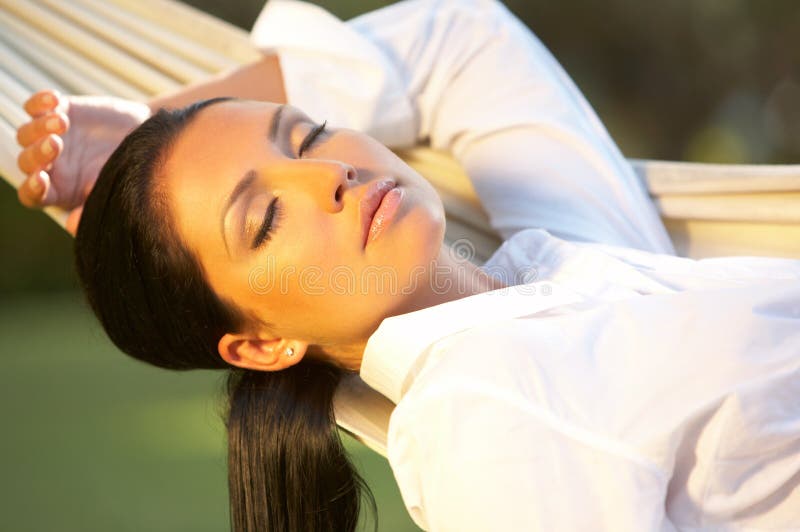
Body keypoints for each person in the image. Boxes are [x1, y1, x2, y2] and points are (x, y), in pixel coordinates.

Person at [14, 0, 800, 530]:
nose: (330, 175)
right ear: (261, 345)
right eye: (266, 218)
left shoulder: (562, 262)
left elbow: (463, 38)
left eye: (309, 135)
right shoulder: (485, 421)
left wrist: (152, 126)